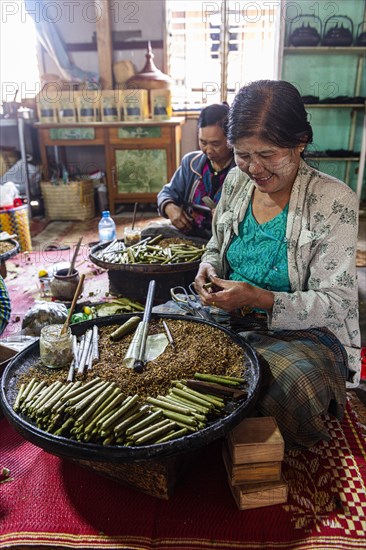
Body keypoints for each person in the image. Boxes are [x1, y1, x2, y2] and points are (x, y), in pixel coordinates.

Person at [194, 80, 361, 449]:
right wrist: (207, 267)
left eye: (267, 155)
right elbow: (215, 244)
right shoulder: (237, 181)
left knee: (290, 388)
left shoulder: (333, 201)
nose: (253, 168)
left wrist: (259, 298)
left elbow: (338, 302)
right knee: (161, 343)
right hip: (228, 319)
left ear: (299, 141)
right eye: (242, 154)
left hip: (300, 334)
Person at [153, 103, 236, 241]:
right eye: (203, 142)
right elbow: (167, 193)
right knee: (151, 231)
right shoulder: (191, 163)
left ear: (230, 140)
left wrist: (227, 218)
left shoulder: (241, 171)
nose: (208, 150)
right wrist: (170, 207)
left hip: (223, 241)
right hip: (189, 236)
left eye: (215, 144)